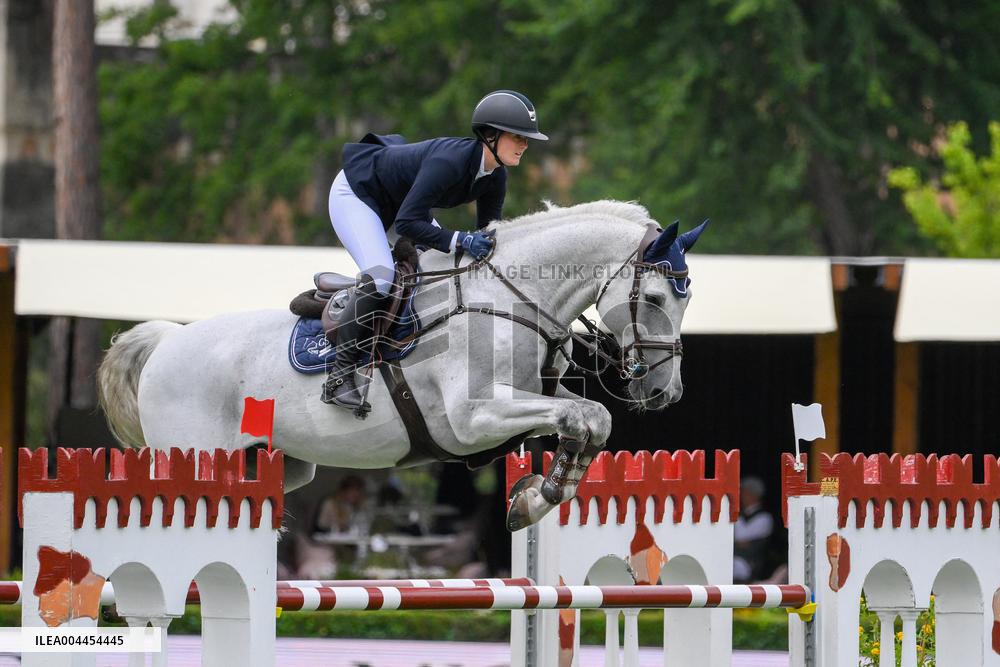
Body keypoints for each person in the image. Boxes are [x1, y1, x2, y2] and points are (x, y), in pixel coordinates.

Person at [323, 90, 549, 411]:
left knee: (436, 266)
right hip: (358, 194)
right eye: (518, 137)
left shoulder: (496, 175)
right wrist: (461, 240)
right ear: (490, 135)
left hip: (400, 203)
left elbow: (488, 234)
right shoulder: (449, 162)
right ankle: (339, 377)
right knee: (383, 277)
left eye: (526, 138)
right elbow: (407, 222)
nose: (525, 145)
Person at [733, 476, 775, 583]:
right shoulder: (738, 516)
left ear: (754, 495)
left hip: (750, 564)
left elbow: (740, 537)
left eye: (744, 492)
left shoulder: (764, 518)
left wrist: (737, 543)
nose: (741, 496)